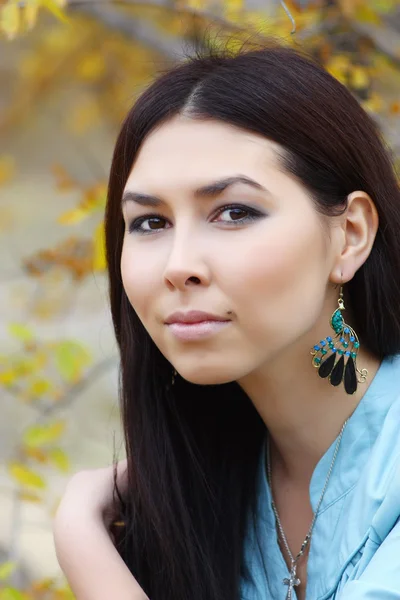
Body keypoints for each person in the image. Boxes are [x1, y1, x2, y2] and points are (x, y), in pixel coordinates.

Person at [53, 39, 400, 600]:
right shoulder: (201, 494)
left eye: (234, 212)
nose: (179, 265)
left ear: (350, 235)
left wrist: (80, 540)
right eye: (148, 222)